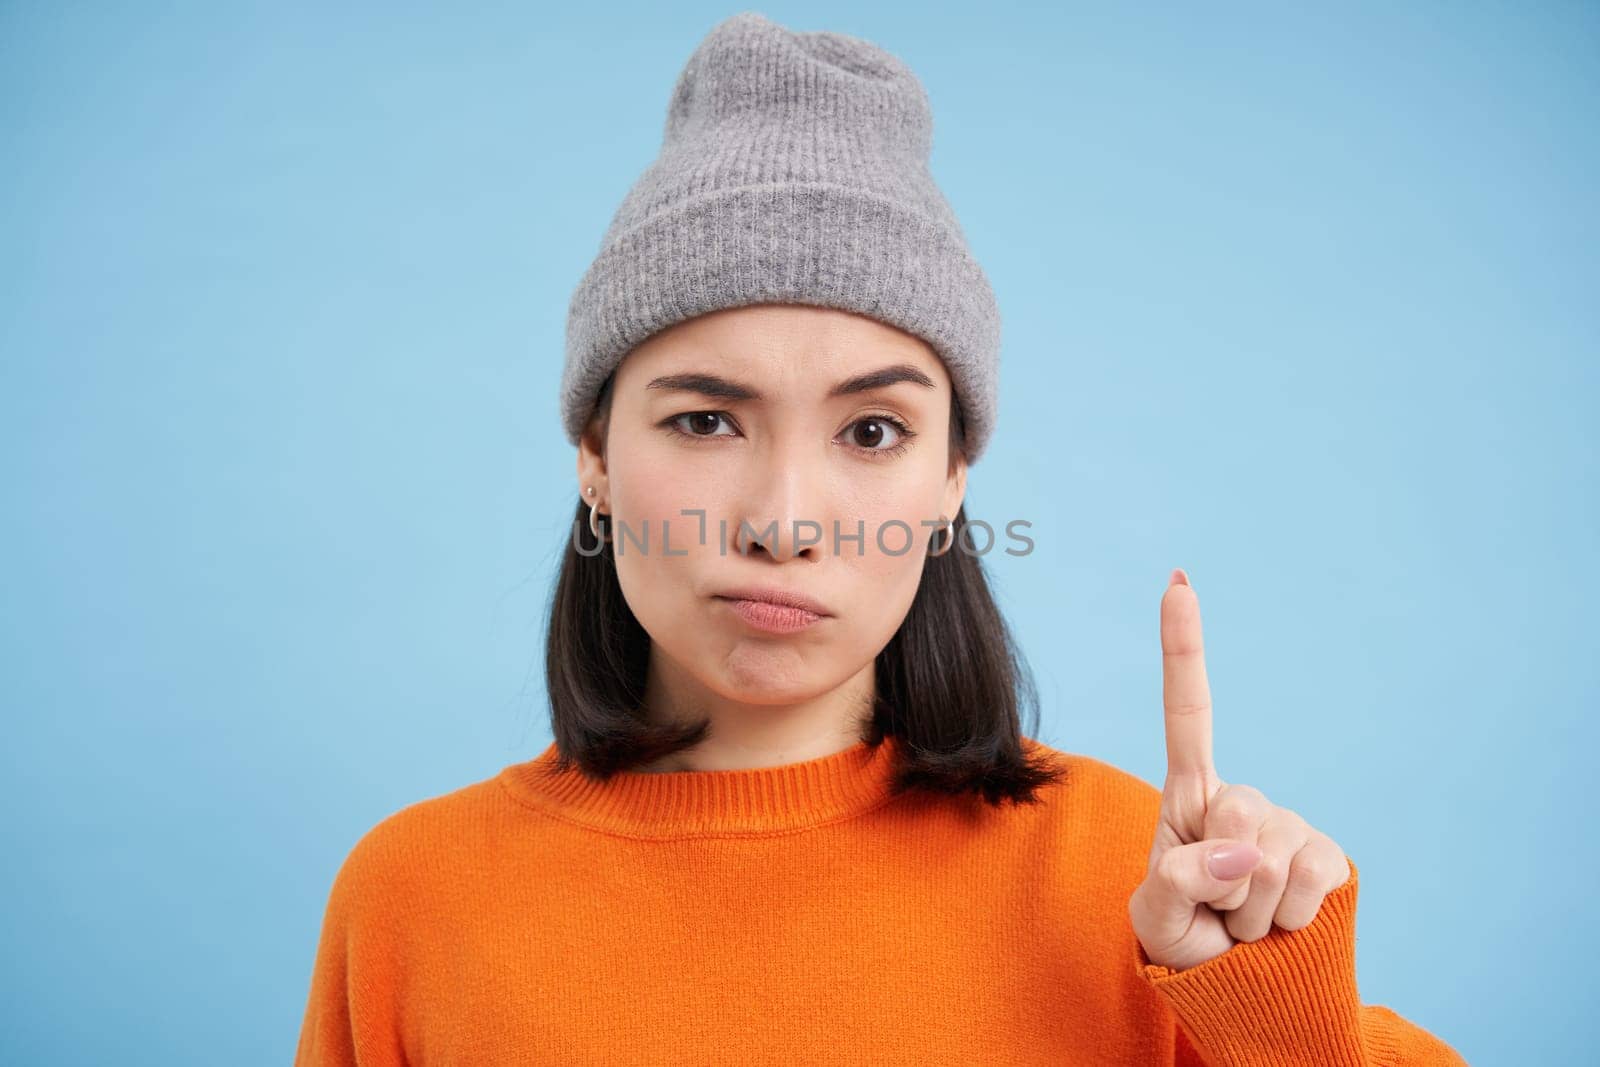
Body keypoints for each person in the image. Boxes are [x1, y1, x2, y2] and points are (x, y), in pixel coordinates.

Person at [294, 12, 1467, 1065]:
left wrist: (1271, 1014)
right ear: (594, 453)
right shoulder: (413, 898)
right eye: (704, 418)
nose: (783, 520)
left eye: (870, 428)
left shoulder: (1144, 890)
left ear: (953, 475)